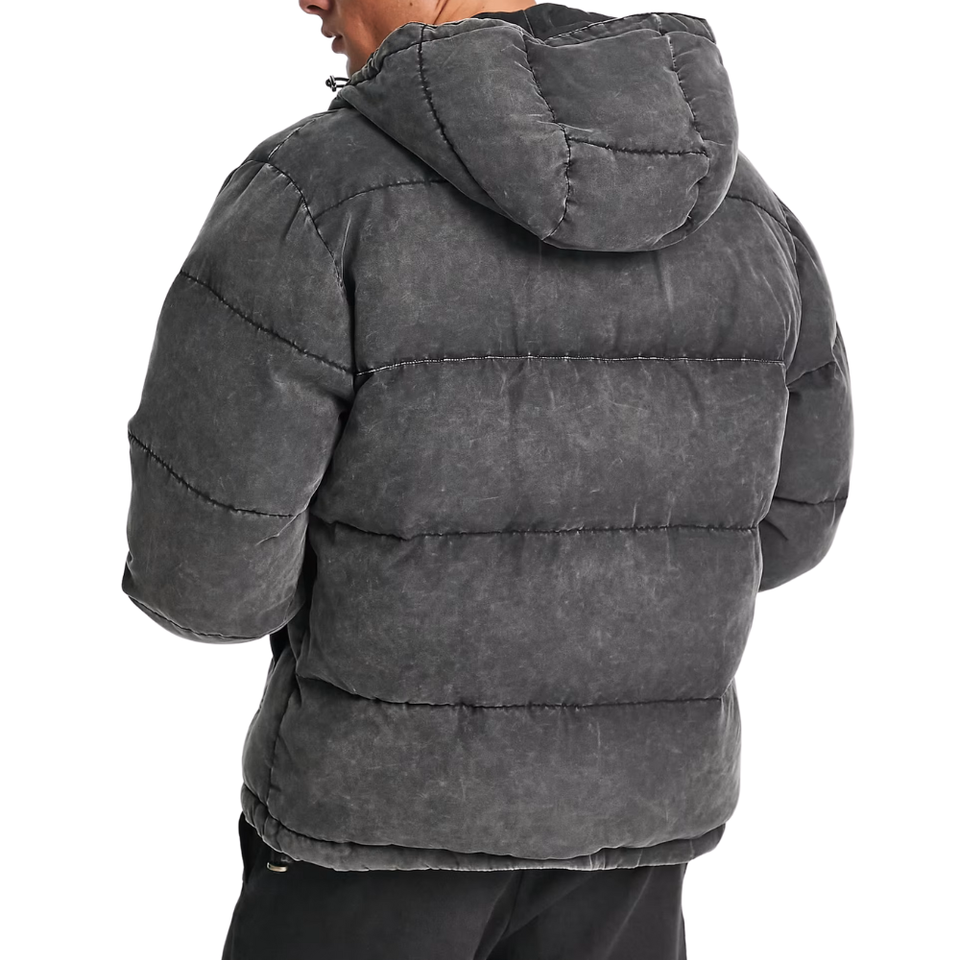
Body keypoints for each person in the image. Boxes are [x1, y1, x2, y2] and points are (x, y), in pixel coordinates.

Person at [120, 2, 854, 957]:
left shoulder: (317, 198)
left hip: (371, 833)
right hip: (634, 836)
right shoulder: (748, 214)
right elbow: (793, 525)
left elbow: (204, 580)